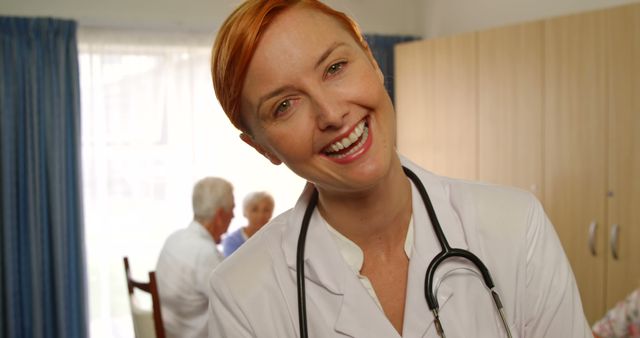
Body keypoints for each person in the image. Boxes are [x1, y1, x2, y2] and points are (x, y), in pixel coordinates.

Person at [207, 1, 592, 337]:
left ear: (373, 63)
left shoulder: (516, 227)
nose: (332, 114)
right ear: (261, 147)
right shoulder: (242, 294)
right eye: (284, 106)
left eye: (335, 67)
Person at [155, 177, 234, 338]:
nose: (233, 216)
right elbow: (235, 305)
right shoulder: (206, 253)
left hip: (168, 330)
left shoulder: (174, 238)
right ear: (219, 215)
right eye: (232, 210)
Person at [222, 191, 275, 256]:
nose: (261, 215)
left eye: (266, 210)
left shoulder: (276, 237)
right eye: (254, 210)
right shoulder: (232, 241)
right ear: (245, 212)